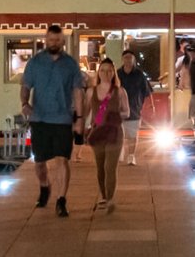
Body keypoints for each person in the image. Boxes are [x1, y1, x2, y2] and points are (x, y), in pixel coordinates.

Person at [20, 24, 84, 216]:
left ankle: (61, 200)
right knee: (39, 162)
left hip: (63, 119)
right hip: (39, 118)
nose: (54, 43)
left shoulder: (70, 64)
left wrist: (79, 118)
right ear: (45, 40)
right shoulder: (35, 62)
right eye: (50, 40)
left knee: (62, 160)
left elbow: (78, 91)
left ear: (63, 42)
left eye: (57, 40)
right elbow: (25, 86)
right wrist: (24, 103)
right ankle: (44, 185)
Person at [83, 57, 129, 211]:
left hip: (115, 133)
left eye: (109, 70)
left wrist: (117, 116)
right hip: (98, 133)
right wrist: (82, 128)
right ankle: (103, 196)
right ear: (98, 72)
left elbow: (127, 111)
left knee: (110, 167)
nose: (106, 73)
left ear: (113, 73)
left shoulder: (120, 91)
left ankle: (110, 198)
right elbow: (85, 112)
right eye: (102, 70)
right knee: (100, 167)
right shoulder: (91, 92)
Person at [117, 50, 152, 166]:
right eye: (126, 57)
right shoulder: (117, 74)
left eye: (130, 57)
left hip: (134, 108)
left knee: (132, 134)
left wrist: (150, 106)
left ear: (134, 59)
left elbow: (147, 92)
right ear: (122, 59)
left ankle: (131, 156)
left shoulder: (139, 75)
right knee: (118, 134)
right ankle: (119, 154)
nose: (128, 60)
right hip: (119, 109)